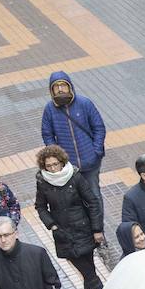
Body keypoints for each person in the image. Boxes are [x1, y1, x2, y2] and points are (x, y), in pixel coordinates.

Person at [40, 71, 106, 205]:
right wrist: (58, 157)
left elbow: (99, 127)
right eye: (56, 86)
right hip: (69, 167)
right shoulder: (49, 109)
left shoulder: (84, 103)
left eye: (63, 85)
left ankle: (97, 225)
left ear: (70, 86)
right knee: (75, 200)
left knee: (94, 195)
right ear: (51, 90)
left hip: (91, 162)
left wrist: (96, 150)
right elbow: (47, 134)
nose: (60, 89)